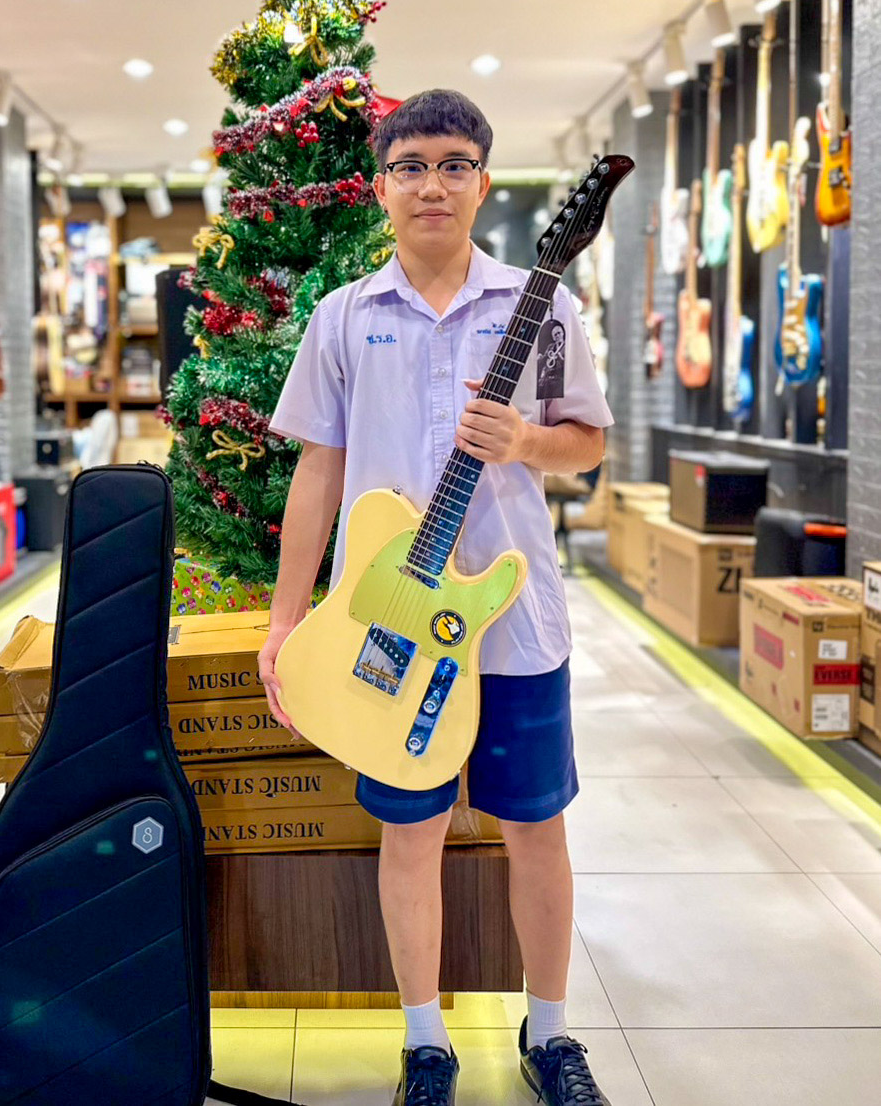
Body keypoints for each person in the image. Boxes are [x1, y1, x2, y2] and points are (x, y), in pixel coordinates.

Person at [258, 89, 613, 1106]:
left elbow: (587, 444)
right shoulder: (343, 315)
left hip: (514, 626)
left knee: (534, 827)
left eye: (454, 164)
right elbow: (317, 470)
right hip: (384, 623)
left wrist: (527, 440)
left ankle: (551, 1035)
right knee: (407, 833)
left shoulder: (541, 307)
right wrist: (285, 621)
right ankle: (425, 1042)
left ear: (482, 183)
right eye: (410, 166)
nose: (432, 185)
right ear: (382, 186)